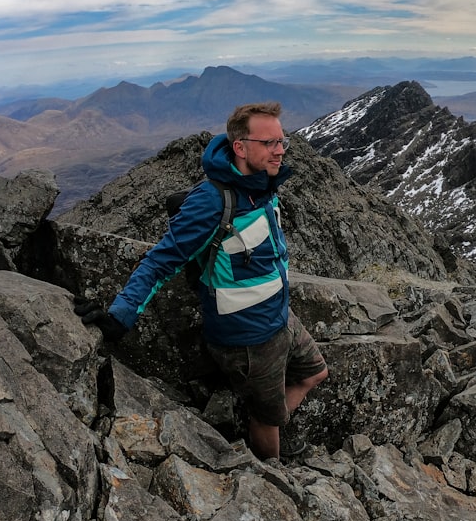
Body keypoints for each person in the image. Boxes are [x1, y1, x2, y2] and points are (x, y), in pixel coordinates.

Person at [79, 101, 328, 461]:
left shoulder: (261, 185)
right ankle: (274, 469)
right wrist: (121, 315)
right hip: (248, 339)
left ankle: (273, 419)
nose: (280, 151)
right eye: (270, 143)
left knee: (316, 373)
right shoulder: (212, 202)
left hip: (279, 318)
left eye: (282, 142)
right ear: (240, 148)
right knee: (266, 422)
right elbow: (160, 260)